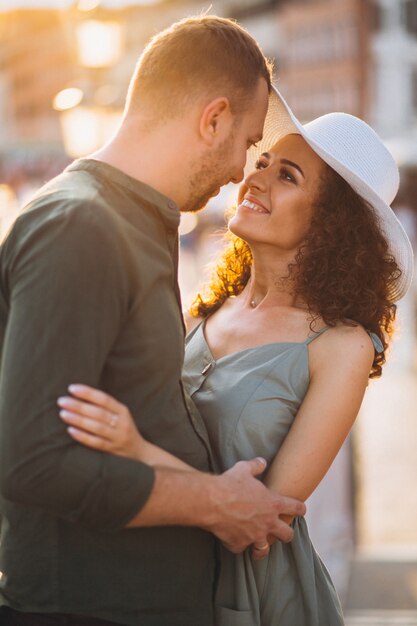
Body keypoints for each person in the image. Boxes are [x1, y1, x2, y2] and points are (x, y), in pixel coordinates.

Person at [58, 86, 414, 626]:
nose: (255, 178)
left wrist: (136, 449)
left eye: (286, 176)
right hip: (155, 580)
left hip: (253, 598)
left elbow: (264, 518)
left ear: (330, 225)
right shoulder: (200, 313)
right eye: (263, 162)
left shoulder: (343, 346)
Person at [0, 18, 306, 626]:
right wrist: (213, 503)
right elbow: (31, 460)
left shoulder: (134, 221)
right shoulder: (82, 225)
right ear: (212, 119)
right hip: (87, 610)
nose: (240, 172)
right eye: (247, 143)